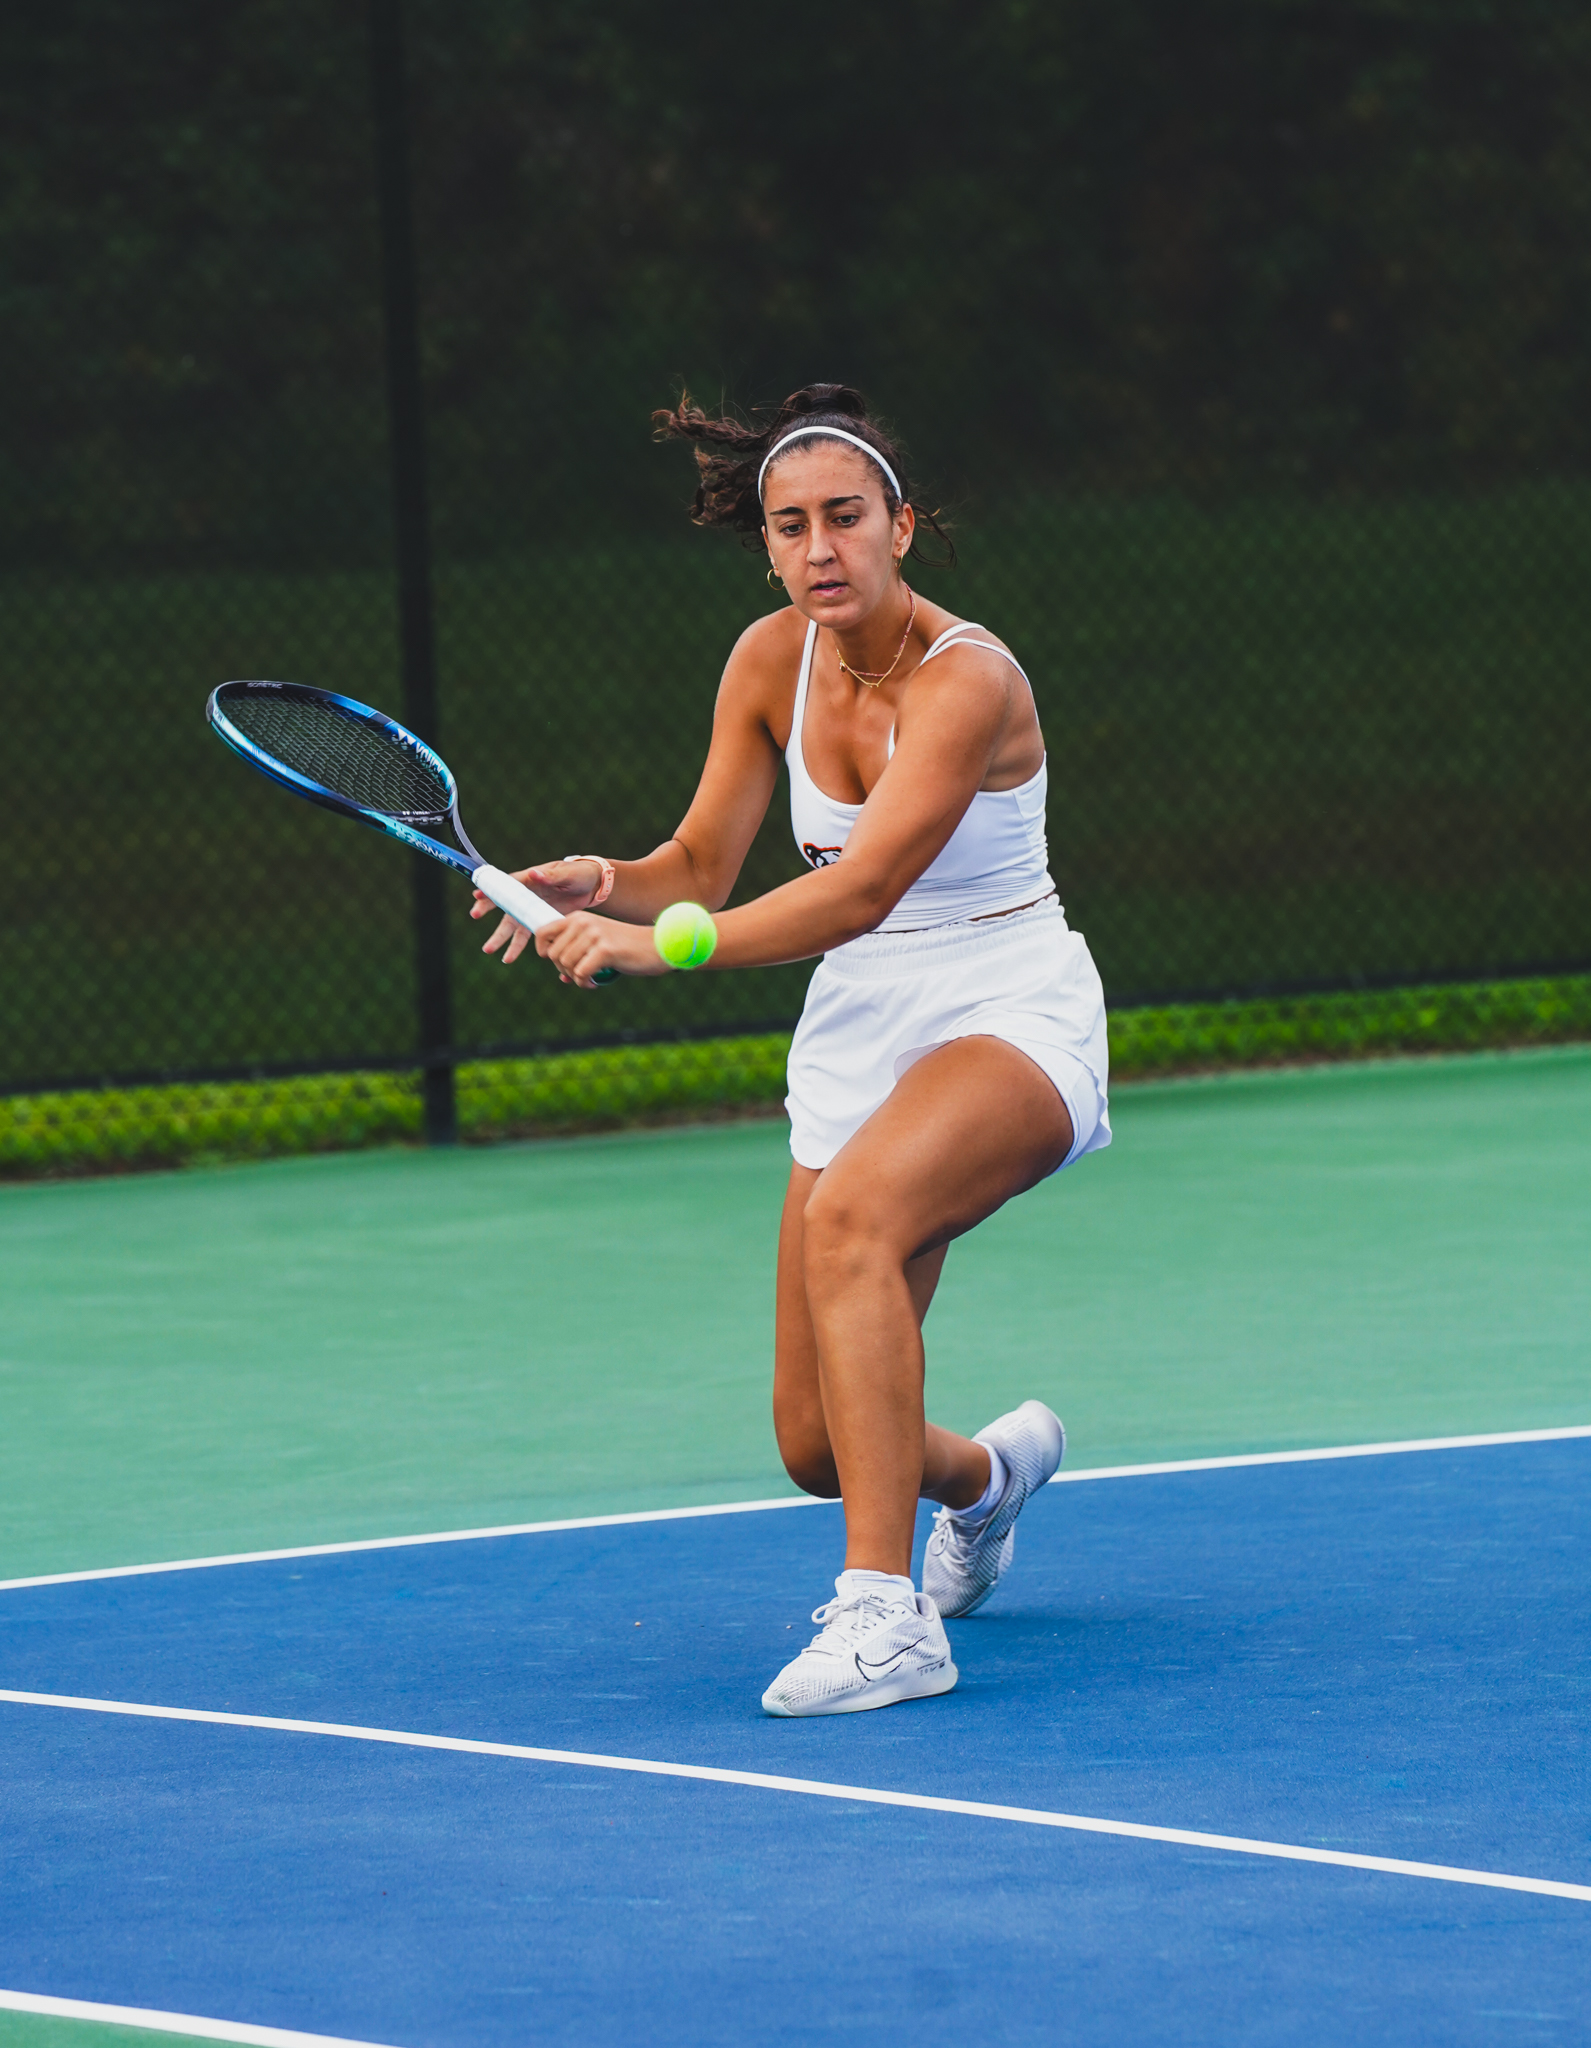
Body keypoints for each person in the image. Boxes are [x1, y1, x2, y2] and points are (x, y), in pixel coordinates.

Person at [473, 384, 1111, 1717]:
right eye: (789, 526)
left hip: (1008, 1004)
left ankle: (889, 1621)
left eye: (844, 519)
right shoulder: (770, 659)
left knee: (859, 1220)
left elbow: (860, 888)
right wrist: (608, 884)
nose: (819, 549)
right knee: (819, 1444)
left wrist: (674, 949)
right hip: (860, 1028)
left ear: (902, 529)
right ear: (764, 545)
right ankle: (985, 1486)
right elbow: (699, 859)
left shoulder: (972, 678)